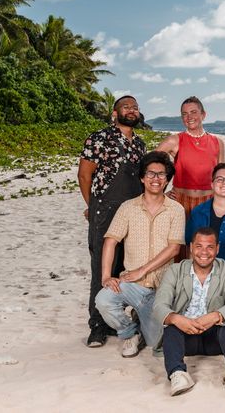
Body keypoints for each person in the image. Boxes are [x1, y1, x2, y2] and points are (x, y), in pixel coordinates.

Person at [94, 151, 185, 358]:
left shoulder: (176, 210)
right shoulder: (128, 208)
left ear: (167, 180)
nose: (156, 179)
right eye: (150, 174)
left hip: (162, 287)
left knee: (155, 344)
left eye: (161, 174)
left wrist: (141, 271)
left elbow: (174, 248)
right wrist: (106, 276)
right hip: (132, 285)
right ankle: (129, 332)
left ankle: (141, 318)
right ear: (142, 178)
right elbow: (110, 241)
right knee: (103, 300)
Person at [79, 95, 146, 348]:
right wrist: (93, 206)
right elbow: (84, 175)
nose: (132, 110)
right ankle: (97, 327)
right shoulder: (99, 138)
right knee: (101, 268)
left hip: (133, 212)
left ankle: (116, 319)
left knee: (126, 266)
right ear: (114, 113)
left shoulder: (139, 144)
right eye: (126, 107)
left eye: (135, 107)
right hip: (105, 211)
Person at [152, 227, 225, 396]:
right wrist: (176, 319)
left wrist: (215, 316)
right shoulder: (175, 270)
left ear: (217, 248)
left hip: (216, 339)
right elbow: (159, 305)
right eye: (199, 246)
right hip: (185, 337)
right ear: (191, 247)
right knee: (171, 325)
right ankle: (178, 374)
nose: (204, 252)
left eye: (210, 247)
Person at [155, 96, 224, 217]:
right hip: (180, 202)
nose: (189, 117)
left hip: (209, 202)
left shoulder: (218, 142)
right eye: (184, 114)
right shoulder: (174, 141)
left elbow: (222, 176)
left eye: (193, 112)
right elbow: (149, 165)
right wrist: (160, 194)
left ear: (203, 115)